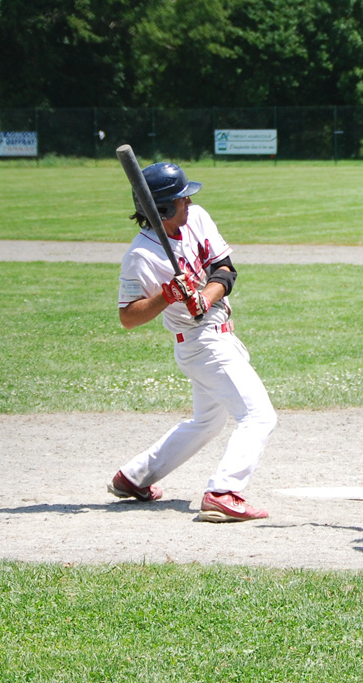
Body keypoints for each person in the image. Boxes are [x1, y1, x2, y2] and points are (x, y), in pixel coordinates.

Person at [108, 161, 277, 523]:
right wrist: (167, 295)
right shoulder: (141, 255)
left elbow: (225, 269)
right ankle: (223, 492)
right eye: (181, 199)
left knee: (208, 421)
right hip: (201, 345)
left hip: (217, 332)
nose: (188, 202)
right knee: (258, 415)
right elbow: (128, 317)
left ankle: (134, 477)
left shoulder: (197, 218)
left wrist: (205, 297)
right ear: (162, 209)